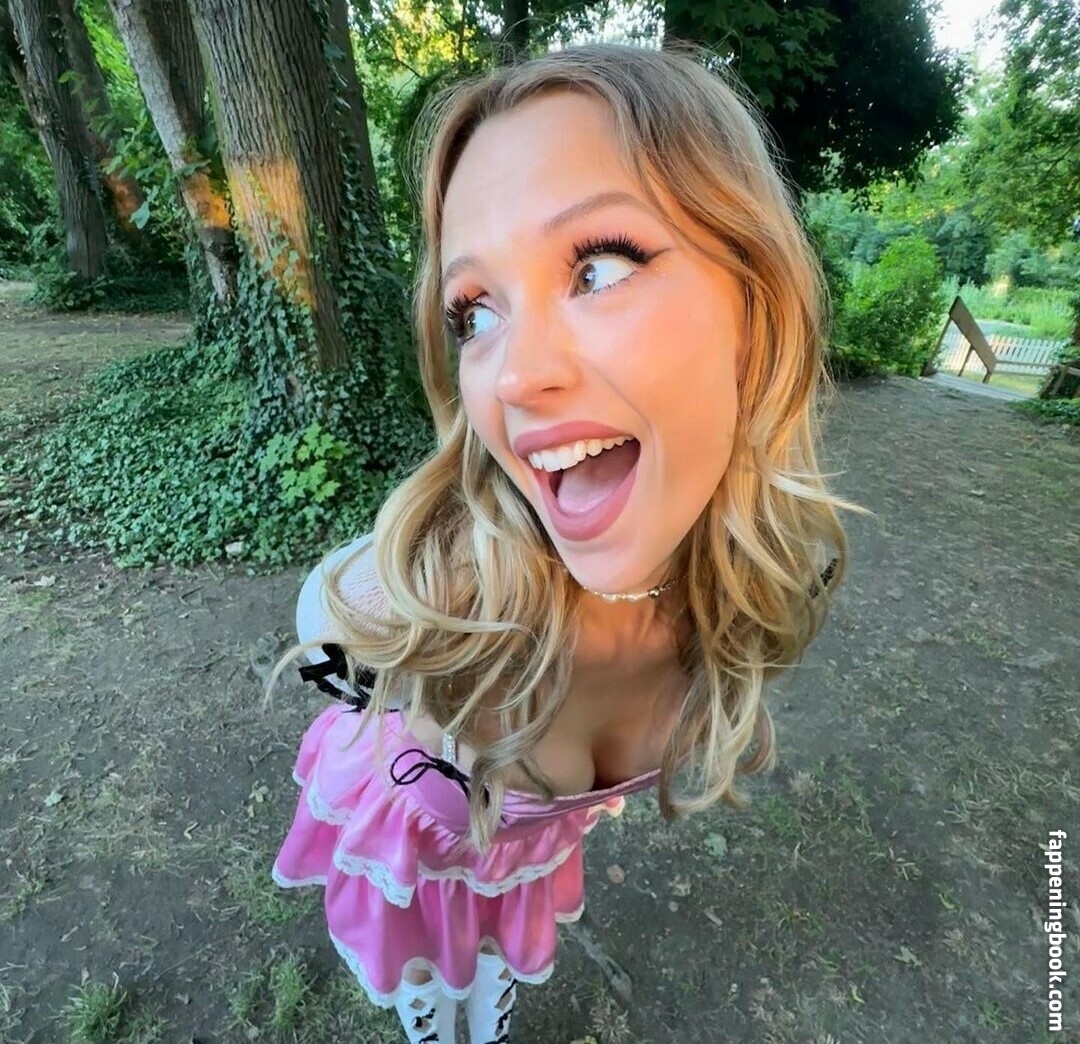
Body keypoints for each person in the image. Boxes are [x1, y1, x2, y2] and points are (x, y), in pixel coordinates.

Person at [264, 38, 867, 1044]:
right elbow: (322, 629)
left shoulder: (756, 594)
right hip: (410, 847)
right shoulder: (425, 589)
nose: (512, 377)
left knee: (493, 963)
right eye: (475, 313)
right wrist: (382, 698)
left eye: (598, 267)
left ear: (757, 307)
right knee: (430, 985)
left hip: (519, 864)